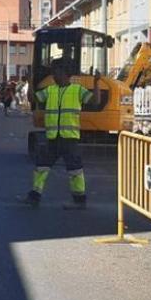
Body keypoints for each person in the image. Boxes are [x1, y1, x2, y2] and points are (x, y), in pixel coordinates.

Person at [27, 61, 101, 208]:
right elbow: (33, 99)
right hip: (53, 137)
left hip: (69, 138)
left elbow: (95, 101)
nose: (54, 76)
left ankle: (79, 201)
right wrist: (30, 82)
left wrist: (96, 83)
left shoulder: (77, 90)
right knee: (41, 167)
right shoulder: (50, 90)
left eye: (57, 72)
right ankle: (34, 196)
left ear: (66, 74)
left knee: (75, 170)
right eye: (54, 72)